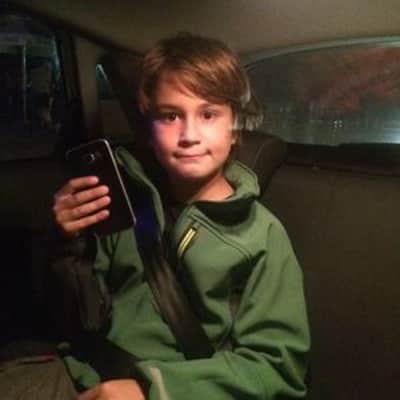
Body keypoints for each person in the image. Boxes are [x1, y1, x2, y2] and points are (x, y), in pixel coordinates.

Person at [51, 33, 310, 400]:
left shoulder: (262, 235)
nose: (189, 135)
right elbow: (83, 316)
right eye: (170, 116)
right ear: (149, 127)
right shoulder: (123, 202)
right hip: (84, 373)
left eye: (209, 114)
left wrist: (152, 389)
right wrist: (69, 242)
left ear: (234, 128)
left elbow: (276, 369)